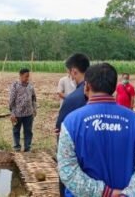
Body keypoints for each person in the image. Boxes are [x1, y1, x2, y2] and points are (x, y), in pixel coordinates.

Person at [57, 63, 135, 196]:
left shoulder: (71, 122)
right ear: (114, 87)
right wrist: (125, 195)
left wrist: (105, 193)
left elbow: (67, 170)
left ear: (87, 86)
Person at [55, 53, 90, 196]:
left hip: (75, 162)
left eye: (70, 73)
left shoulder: (73, 99)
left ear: (74, 71)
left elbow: (60, 130)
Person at [9, 68, 37, 152]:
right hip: (17, 114)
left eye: (28, 76)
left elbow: (33, 98)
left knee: (28, 131)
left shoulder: (30, 86)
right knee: (16, 130)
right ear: (20, 76)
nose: (27, 78)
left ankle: (27, 148)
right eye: (26, 76)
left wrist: (34, 109)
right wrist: (12, 113)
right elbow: (11, 100)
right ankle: (17, 147)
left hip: (28, 114)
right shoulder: (15, 85)